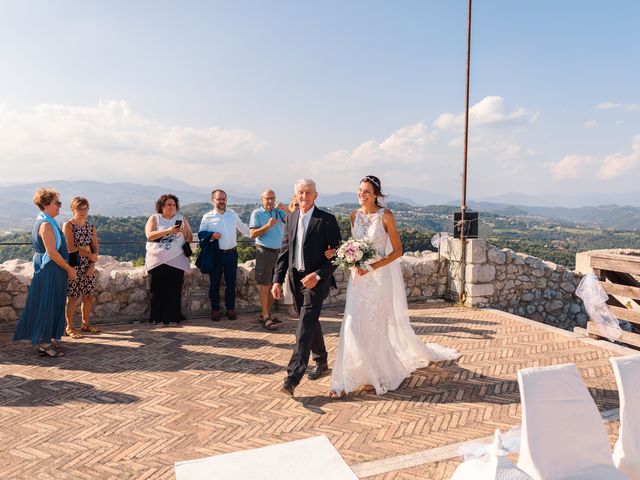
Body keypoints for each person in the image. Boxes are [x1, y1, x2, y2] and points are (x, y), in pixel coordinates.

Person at [329, 176, 460, 398]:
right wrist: (351, 261)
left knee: (375, 326)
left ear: (377, 194)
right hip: (358, 280)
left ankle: (375, 374)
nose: (362, 195)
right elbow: (354, 246)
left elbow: (397, 251)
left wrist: (373, 267)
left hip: (379, 279)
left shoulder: (386, 216)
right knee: (352, 325)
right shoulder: (354, 215)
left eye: (367, 191)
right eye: (360, 190)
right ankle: (347, 375)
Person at [272, 179, 342, 397]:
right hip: (295, 280)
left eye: (308, 193)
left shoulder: (327, 220)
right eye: (300, 193)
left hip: (316, 281)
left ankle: (292, 377)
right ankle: (321, 361)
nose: (304, 196)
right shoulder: (291, 218)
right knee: (309, 321)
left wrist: (319, 275)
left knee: (303, 325)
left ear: (315, 195)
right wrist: (277, 279)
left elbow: (337, 255)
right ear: (296, 195)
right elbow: (284, 252)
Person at [13, 188, 78, 357]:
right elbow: (52, 253)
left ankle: (46, 340)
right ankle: (45, 343)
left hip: (50, 268)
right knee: (48, 304)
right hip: (51, 269)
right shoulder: (46, 225)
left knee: (49, 303)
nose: (59, 207)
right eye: (57, 203)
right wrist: (69, 268)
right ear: (46, 204)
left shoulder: (45, 221)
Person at [199, 189, 250, 321]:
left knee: (231, 283)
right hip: (216, 255)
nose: (222, 201)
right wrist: (211, 236)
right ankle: (215, 310)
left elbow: (244, 228)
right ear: (212, 201)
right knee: (214, 283)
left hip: (231, 254)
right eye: (219, 199)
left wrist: (259, 233)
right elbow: (201, 235)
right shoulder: (207, 217)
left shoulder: (232, 214)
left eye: (224, 199)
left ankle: (230, 309)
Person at [145, 194, 193, 326]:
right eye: (168, 204)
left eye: (174, 204)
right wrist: (168, 231)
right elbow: (149, 235)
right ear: (161, 206)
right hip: (157, 260)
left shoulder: (181, 218)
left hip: (177, 259)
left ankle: (173, 317)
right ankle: (157, 317)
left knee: (174, 290)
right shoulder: (154, 218)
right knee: (157, 290)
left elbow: (190, 238)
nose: (172, 207)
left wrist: (183, 231)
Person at [249, 189, 289, 330]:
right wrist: (267, 226)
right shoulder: (257, 213)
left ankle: (265, 313)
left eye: (272, 198)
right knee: (266, 285)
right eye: (268, 198)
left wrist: (286, 209)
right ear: (262, 199)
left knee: (275, 284)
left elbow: (293, 219)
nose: (270, 201)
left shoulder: (279, 212)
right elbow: (252, 234)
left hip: (280, 253)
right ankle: (265, 316)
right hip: (265, 252)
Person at [63, 197, 99, 338]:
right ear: (73, 209)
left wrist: (92, 265)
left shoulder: (91, 227)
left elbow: (95, 248)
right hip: (74, 264)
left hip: (88, 265)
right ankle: (70, 327)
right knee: (72, 297)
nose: (83, 211)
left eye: (85, 208)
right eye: (80, 208)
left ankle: (85, 324)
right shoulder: (68, 225)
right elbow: (70, 248)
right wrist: (89, 255)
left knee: (88, 296)